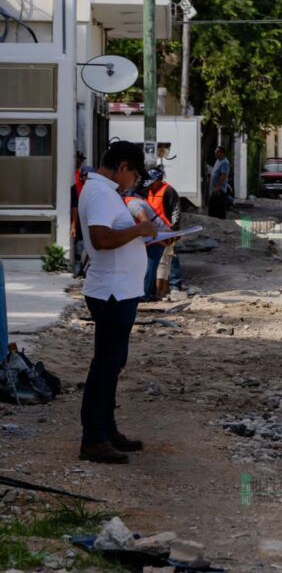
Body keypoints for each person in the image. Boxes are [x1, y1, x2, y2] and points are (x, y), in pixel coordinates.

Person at [77, 141, 155, 464]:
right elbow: (100, 238)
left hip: (119, 291)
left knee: (112, 365)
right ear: (123, 166)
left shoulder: (107, 192)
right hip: (111, 292)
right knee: (105, 367)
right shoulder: (99, 192)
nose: (134, 182)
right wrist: (139, 230)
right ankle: (93, 439)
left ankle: (107, 431)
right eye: (135, 175)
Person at [123, 183, 171, 302]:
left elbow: (147, 225)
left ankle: (144, 295)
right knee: (149, 265)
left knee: (150, 265)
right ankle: (151, 292)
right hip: (155, 234)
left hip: (158, 234)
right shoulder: (131, 202)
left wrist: (155, 240)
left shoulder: (131, 204)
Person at [144, 166, 181, 298]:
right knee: (154, 261)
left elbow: (176, 210)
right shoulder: (148, 191)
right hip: (153, 231)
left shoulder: (169, 191)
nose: (151, 185)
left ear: (159, 179)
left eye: (153, 182)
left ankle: (174, 284)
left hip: (167, 229)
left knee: (170, 257)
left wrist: (174, 230)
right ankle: (154, 289)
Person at [208, 145, 230, 219]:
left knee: (219, 206)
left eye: (217, 152)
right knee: (214, 206)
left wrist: (217, 187)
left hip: (219, 189)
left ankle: (221, 221)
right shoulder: (218, 161)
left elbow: (223, 175)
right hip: (214, 188)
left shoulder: (224, 162)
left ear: (222, 153)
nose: (215, 154)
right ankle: (214, 220)